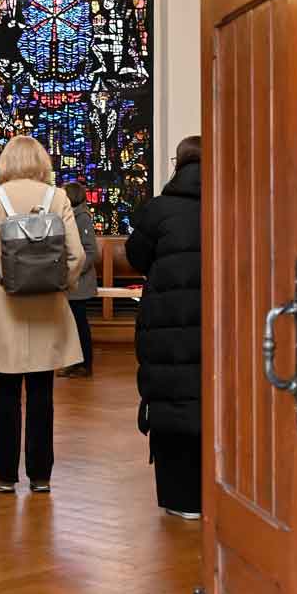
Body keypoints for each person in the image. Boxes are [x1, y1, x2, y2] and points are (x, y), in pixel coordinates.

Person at [0, 135, 84, 494]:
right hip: (47, 307)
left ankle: (4, 475)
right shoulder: (57, 197)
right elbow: (76, 256)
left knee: (6, 395)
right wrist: (61, 286)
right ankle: (41, 475)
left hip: (3, 307)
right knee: (42, 395)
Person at [125, 136, 202, 518]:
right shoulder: (233, 199)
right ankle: (217, 495)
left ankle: (178, 498)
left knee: (171, 397)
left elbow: (135, 255)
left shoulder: (159, 208)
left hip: (167, 318)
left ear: (178, 164)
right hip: (216, 319)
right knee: (210, 397)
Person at [59, 181, 98, 377]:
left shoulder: (81, 218)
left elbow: (91, 251)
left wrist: (73, 271)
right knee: (71, 325)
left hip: (79, 283)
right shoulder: (71, 216)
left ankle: (84, 365)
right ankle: (75, 362)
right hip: (71, 282)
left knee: (79, 324)